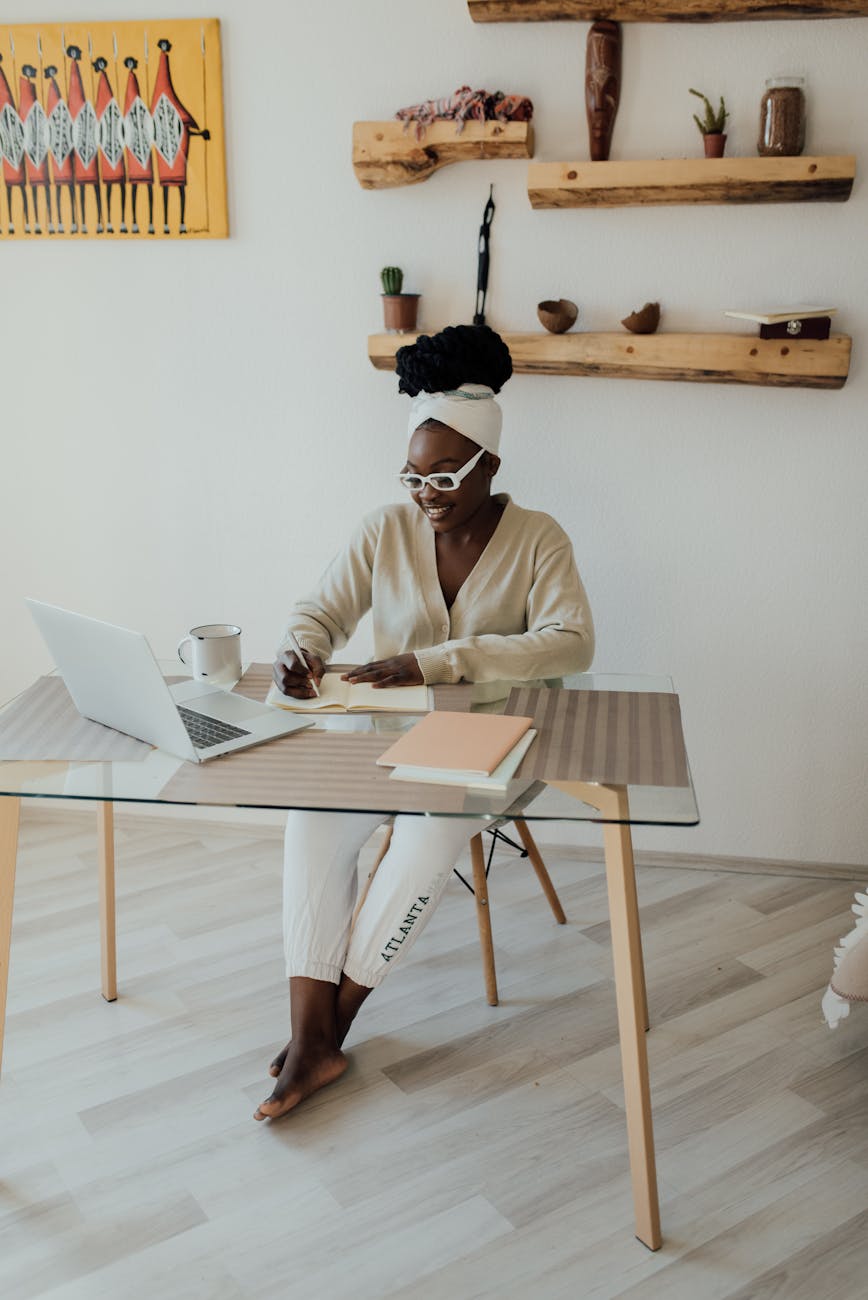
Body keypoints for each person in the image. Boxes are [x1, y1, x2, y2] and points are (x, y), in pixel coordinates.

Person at [255, 324, 594, 1121]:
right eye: (414, 478)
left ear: (490, 466)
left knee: (429, 837)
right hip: (381, 738)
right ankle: (312, 1035)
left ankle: (325, 1032)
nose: (426, 494)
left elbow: (572, 643)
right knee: (311, 820)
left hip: (487, 744)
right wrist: (298, 649)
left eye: (444, 476)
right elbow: (321, 610)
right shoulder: (385, 529)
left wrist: (436, 661)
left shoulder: (539, 539)